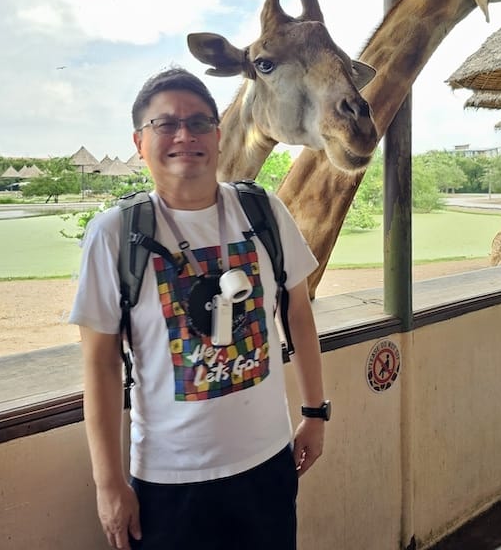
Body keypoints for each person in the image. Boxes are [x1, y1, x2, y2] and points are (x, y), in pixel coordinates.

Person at [69, 66, 328, 550]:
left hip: (268, 465)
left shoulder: (263, 212)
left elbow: (297, 314)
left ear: (218, 134)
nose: (184, 135)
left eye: (199, 122)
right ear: (139, 141)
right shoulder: (114, 234)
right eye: (165, 124)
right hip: (169, 482)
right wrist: (108, 484)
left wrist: (315, 412)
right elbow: (100, 364)